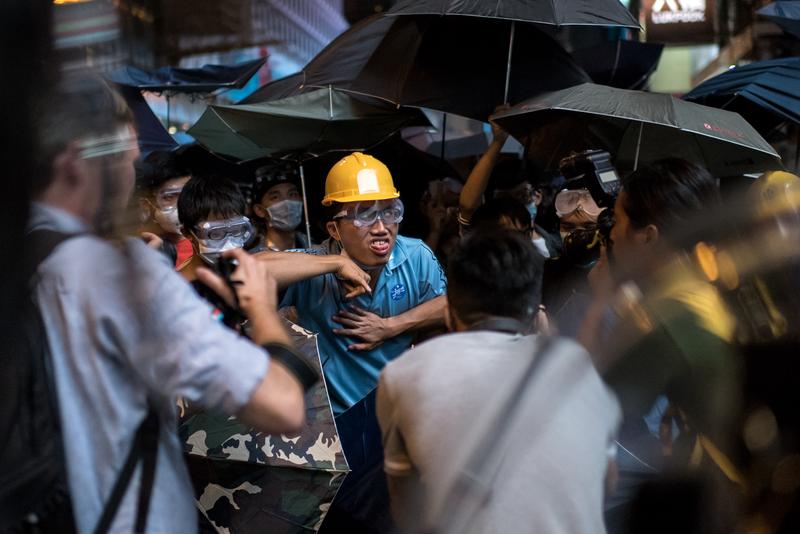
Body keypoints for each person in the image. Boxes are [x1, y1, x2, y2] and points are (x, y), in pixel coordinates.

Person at [28, 72, 306, 533]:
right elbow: (281, 406)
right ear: (79, 158)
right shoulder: (120, 273)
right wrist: (260, 311)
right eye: (123, 153)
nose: (133, 166)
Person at [376, 228, 621, 534]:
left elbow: (405, 502)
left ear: (450, 312)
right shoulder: (578, 366)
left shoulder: (404, 374)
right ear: (535, 313)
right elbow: (608, 483)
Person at [254, 152, 447, 531]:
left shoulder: (416, 256)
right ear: (333, 228)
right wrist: (335, 264)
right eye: (363, 214)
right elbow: (254, 268)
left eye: (389, 211)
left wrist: (391, 327)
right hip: (334, 428)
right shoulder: (311, 264)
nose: (381, 227)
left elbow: (452, 303)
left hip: (395, 415)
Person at [580, 159, 741, 533]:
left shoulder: (662, 318)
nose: (613, 235)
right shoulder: (715, 279)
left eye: (618, 221)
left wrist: (602, 299)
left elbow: (587, 399)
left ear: (649, 235)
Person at [176, 173, 255, 283]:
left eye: (236, 230)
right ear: (188, 234)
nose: (230, 244)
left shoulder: (252, 273)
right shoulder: (176, 290)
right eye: (216, 234)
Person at [135, 150, 193, 267]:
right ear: (145, 203)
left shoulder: (201, 250)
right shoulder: (130, 247)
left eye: (187, 195)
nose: (182, 204)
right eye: (169, 197)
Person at [249, 164, 310, 252]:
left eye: (292, 194)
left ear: (302, 200)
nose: (287, 202)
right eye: (275, 197)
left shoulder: (315, 248)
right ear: (260, 210)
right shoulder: (254, 259)